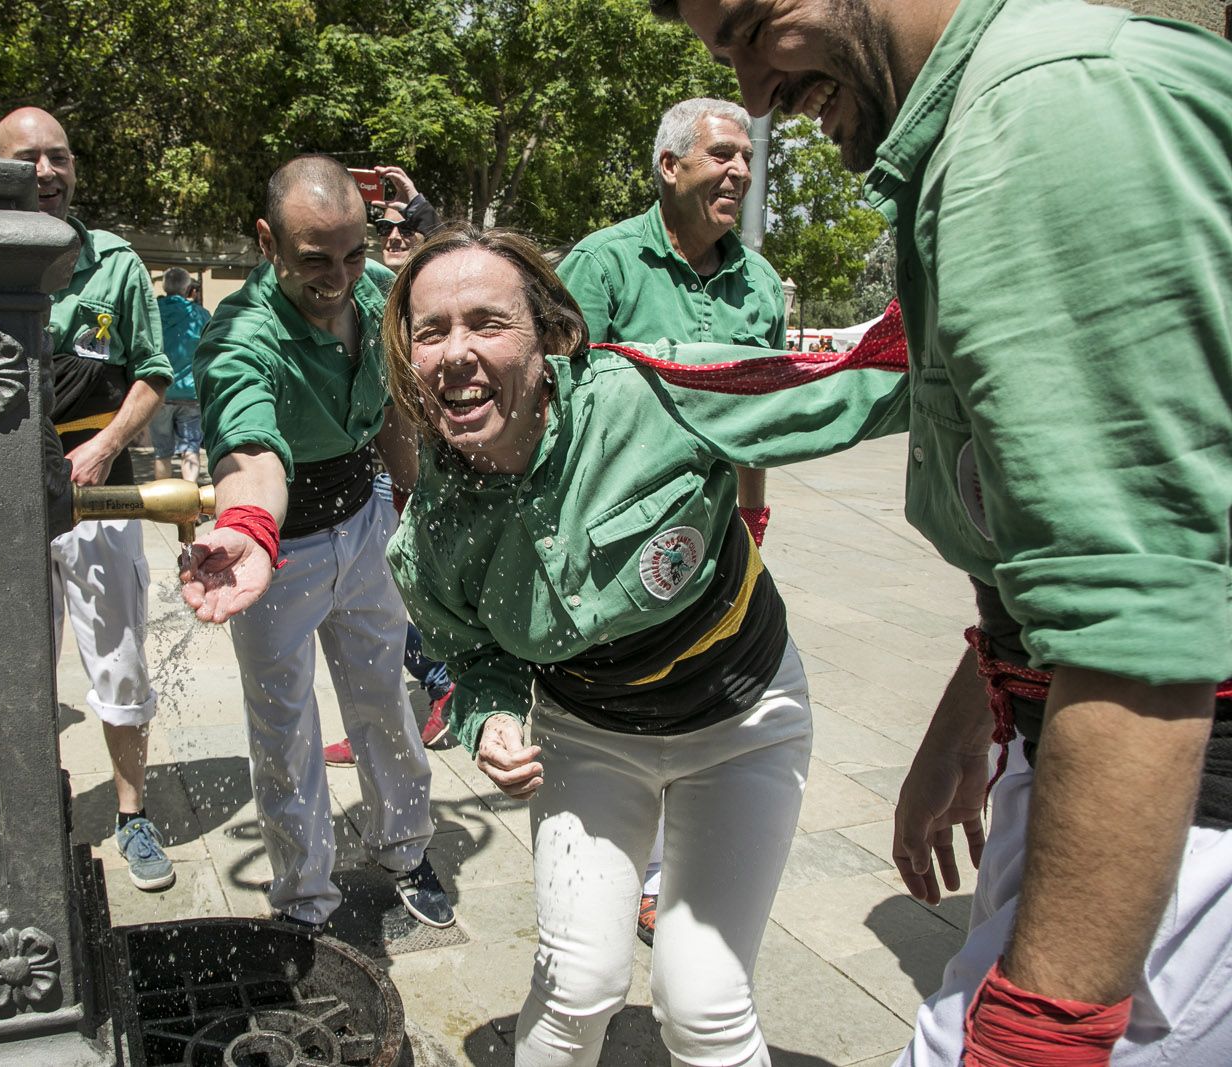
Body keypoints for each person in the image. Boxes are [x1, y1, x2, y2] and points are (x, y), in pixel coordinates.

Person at [652, 1, 1232, 1063]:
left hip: (1179, 814)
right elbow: (1078, 523)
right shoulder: (998, 116)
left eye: (752, 28)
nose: (755, 93)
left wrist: (1039, 1031)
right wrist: (976, 710)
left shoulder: (1045, 116)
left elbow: (1140, 613)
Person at [384, 226, 906, 1067]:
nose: (456, 352)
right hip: (587, 739)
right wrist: (487, 719)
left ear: (549, 335)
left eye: (487, 322)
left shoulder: (656, 392)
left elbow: (848, 385)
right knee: (575, 988)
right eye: (431, 330)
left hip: (743, 723)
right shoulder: (428, 536)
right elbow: (474, 658)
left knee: (702, 1004)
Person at [181, 153, 454, 931]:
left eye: (353, 254)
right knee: (285, 730)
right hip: (279, 552)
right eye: (314, 260)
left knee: (384, 705)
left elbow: (399, 395)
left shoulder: (373, 294)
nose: (337, 277)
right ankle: (305, 896)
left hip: (367, 523)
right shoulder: (240, 336)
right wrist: (250, 528)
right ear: (267, 242)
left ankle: (405, 846)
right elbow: (249, 447)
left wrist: (417, 507)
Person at [557, 95, 787, 946]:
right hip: (613, 541)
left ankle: (660, 880)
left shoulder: (759, 282)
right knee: (621, 701)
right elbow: (560, 408)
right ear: (670, 166)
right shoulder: (604, 265)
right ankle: (603, 870)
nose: (738, 170)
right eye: (721, 155)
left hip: (714, 538)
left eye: (746, 159)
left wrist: (755, 514)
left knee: (700, 695)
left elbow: (760, 413)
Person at [0, 108, 176, 891]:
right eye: (26, 157)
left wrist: (101, 449)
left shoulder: (117, 264)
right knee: (13, 663)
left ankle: (133, 815)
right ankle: (31, 813)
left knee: (120, 659)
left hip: (104, 492)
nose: (45, 170)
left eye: (58, 156)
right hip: (4, 493)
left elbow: (155, 370)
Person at [322, 165, 456, 769]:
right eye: (388, 232)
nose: (396, 239)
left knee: (398, 597)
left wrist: (423, 214)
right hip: (372, 474)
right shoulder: (368, 293)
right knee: (371, 602)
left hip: (430, 470)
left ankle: (442, 681)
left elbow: (456, 258)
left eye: (409, 232)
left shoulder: (435, 297)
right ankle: (387, 709)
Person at [150, 267, 209, 483]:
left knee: (161, 452)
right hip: (191, 394)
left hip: (158, 391)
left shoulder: (152, 312)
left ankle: (161, 504)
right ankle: (190, 508)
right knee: (190, 449)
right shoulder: (200, 315)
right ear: (188, 288)